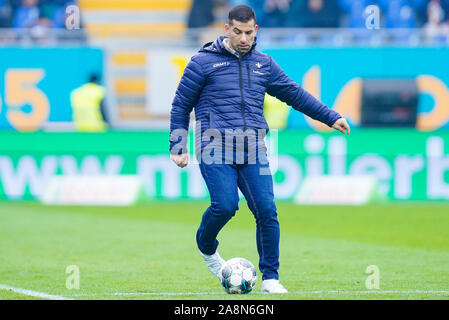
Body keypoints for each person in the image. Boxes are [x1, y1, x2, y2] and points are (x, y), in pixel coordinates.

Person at [169, 5, 350, 294]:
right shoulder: (202, 63)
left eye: (249, 33)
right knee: (226, 206)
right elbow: (181, 104)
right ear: (227, 29)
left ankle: (271, 277)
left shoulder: (264, 64)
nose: (244, 38)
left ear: (256, 30)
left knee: (266, 209)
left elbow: (295, 94)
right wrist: (178, 145)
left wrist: (331, 116)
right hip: (214, 146)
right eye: (238, 32)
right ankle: (206, 245)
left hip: (254, 147)